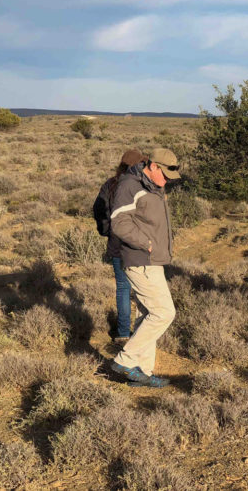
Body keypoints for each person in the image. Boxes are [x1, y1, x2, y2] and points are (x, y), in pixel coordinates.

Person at [109, 148, 181, 388]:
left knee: (146, 314)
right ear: (153, 166)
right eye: (166, 175)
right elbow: (119, 223)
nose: (167, 181)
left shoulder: (151, 185)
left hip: (152, 260)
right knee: (164, 312)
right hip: (140, 259)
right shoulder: (129, 185)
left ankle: (141, 372)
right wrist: (146, 243)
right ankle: (125, 360)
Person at [93, 149, 146, 344]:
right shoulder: (142, 185)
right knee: (142, 288)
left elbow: (99, 209)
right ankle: (142, 332)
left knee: (123, 287)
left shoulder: (111, 185)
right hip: (139, 242)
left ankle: (123, 333)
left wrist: (107, 230)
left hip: (117, 241)